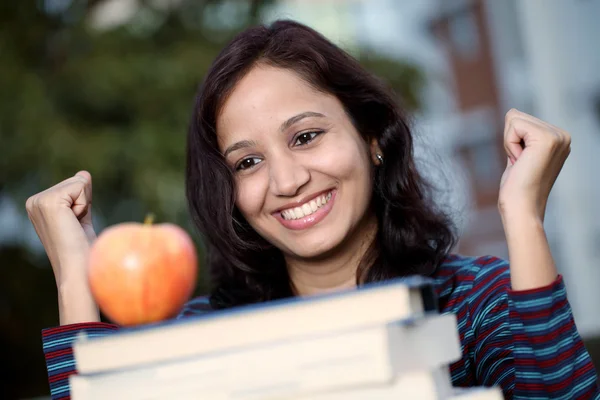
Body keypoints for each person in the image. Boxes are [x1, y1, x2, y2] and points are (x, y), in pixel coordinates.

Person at [27, 20, 599, 400]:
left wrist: (522, 216)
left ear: (371, 135)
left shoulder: (474, 303)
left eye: (305, 137)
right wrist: (77, 279)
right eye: (247, 163)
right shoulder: (196, 337)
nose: (287, 181)